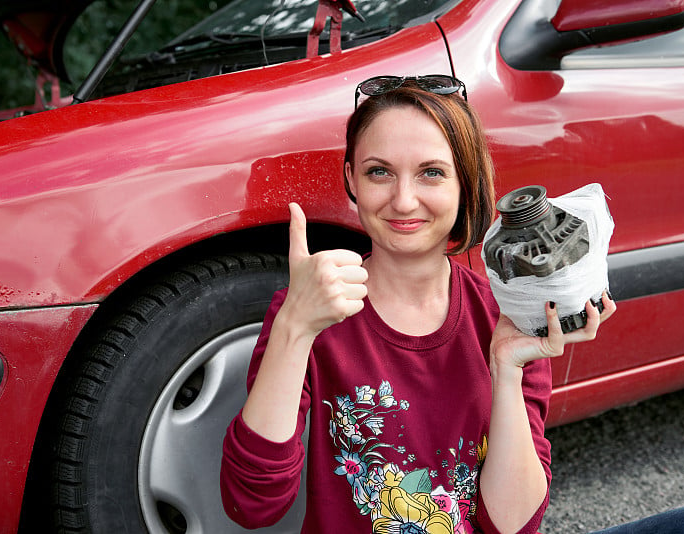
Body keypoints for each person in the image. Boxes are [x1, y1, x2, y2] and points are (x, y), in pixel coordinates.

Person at [220, 75, 616, 534]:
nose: (404, 201)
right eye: (379, 171)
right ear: (351, 178)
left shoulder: (505, 317)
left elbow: (513, 525)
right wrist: (294, 328)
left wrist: (505, 369)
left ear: (464, 182)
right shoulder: (306, 312)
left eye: (431, 172)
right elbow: (250, 506)